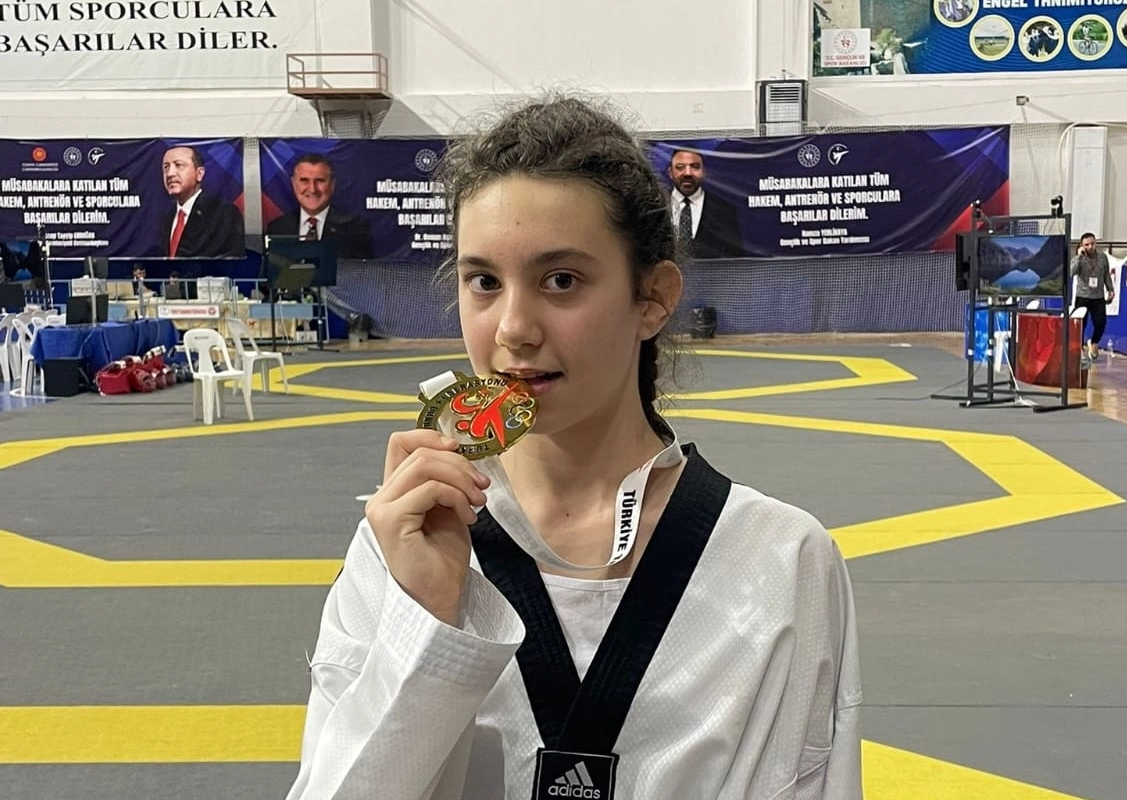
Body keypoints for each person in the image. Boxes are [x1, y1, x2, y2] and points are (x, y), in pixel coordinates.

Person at [286, 95, 862, 800]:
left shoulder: (779, 559)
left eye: (561, 281)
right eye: (484, 282)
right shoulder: (399, 543)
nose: (513, 328)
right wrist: (426, 621)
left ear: (653, 298)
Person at [266, 153, 374, 260]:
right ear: (294, 184)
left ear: (332, 185)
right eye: (304, 180)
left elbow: (359, 270)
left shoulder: (354, 228)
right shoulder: (277, 228)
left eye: (320, 181)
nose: (312, 189)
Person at [158, 145, 244, 259]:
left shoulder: (223, 214)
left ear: (199, 174)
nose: (170, 173)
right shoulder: (165, 218)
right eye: (166, 167)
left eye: (178, 165)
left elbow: (230, 259)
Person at [667, 147, 745, 260]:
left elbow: (734, 256)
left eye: (695, 167)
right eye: (680, 167)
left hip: (714, 271)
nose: (687, 173)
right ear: (670, 172)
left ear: (703, 172)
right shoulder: (656, 206)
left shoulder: (724, 210)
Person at [1070, 232, 1114, 359]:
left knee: (1101, 323)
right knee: (1080, 325)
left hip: (1098, 296)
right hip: (1082, 296)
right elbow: (1071, 272)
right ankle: (1078, 348)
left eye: (1092, 244)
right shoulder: (1079, 258)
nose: (1090, 247)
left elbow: (1106, 274)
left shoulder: (1102, 257)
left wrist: (1110, 289)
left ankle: (1094, 342)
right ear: (1082, 245)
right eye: (1087, 245)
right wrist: (1079, 256)